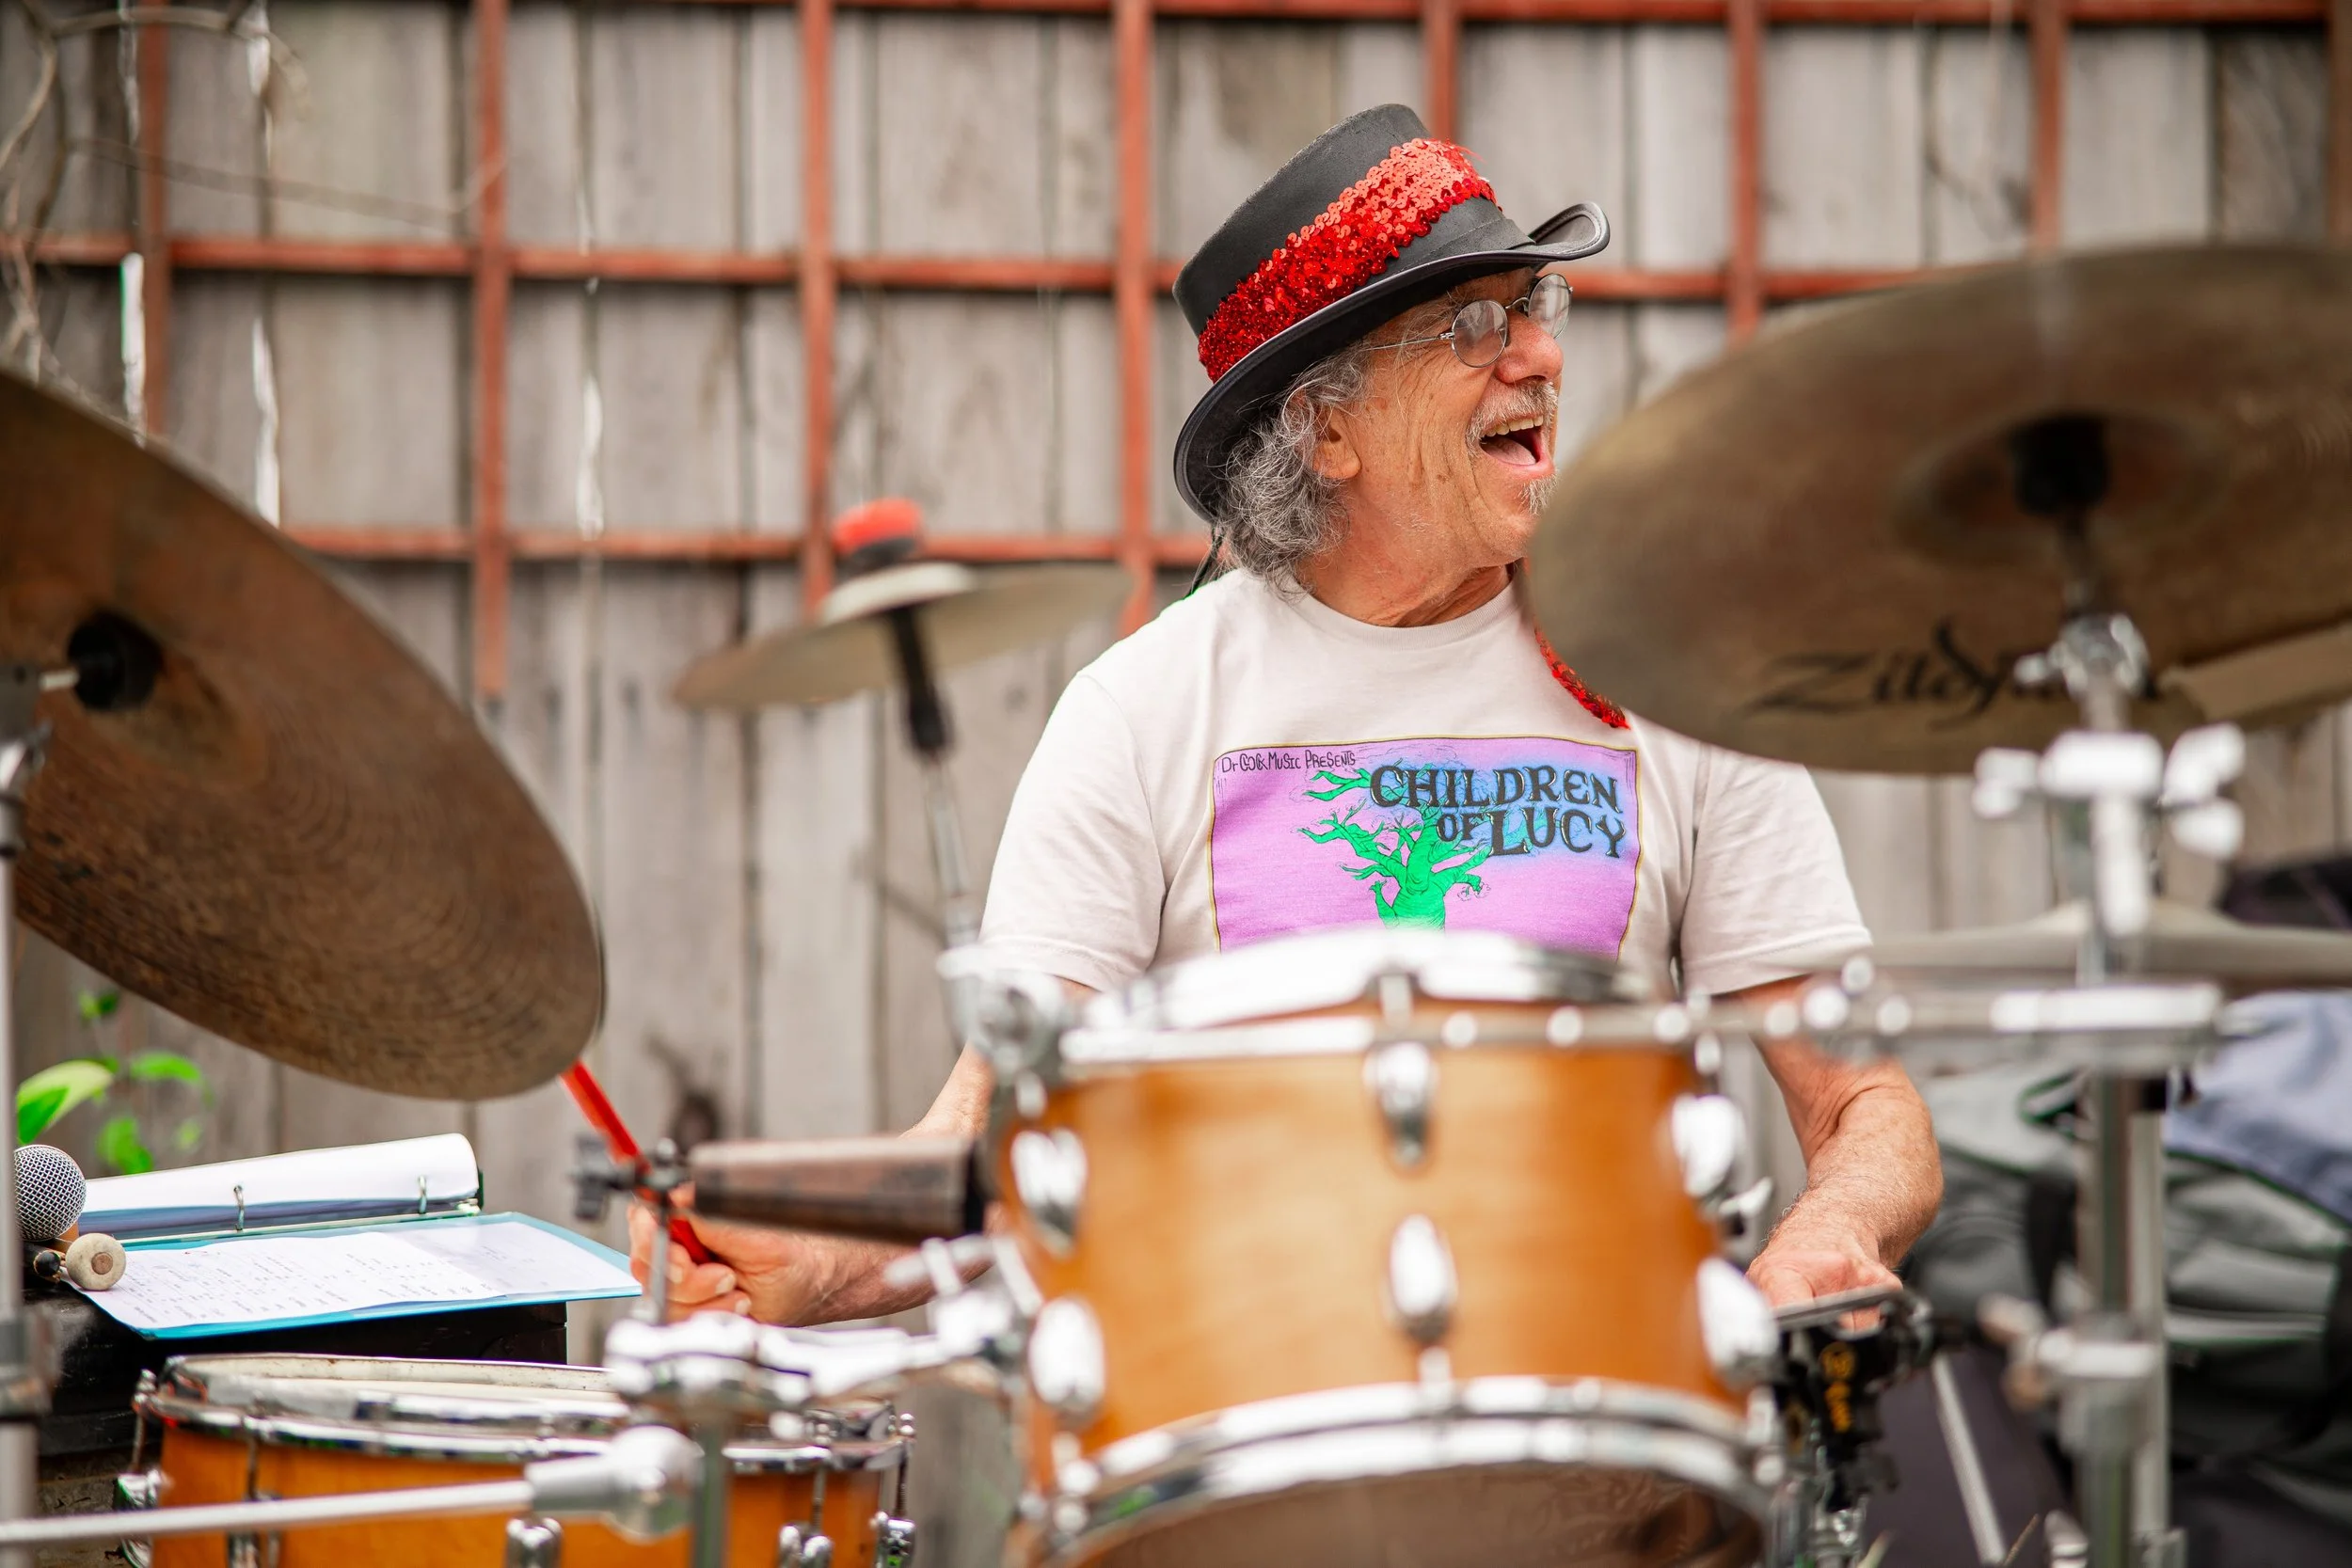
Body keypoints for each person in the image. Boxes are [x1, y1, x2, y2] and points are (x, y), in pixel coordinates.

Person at [633, 103, 1943, 1325]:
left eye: (1531, 306)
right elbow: (988, 1145)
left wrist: (1833, 1227)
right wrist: (806, 1257)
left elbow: (1864, 1102)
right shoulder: (1144, 713)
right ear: (1327, 431)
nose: (1540, 353)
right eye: (1471, 328)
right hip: (1258, 1403)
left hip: (1606, 1401)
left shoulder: (1669, 683)